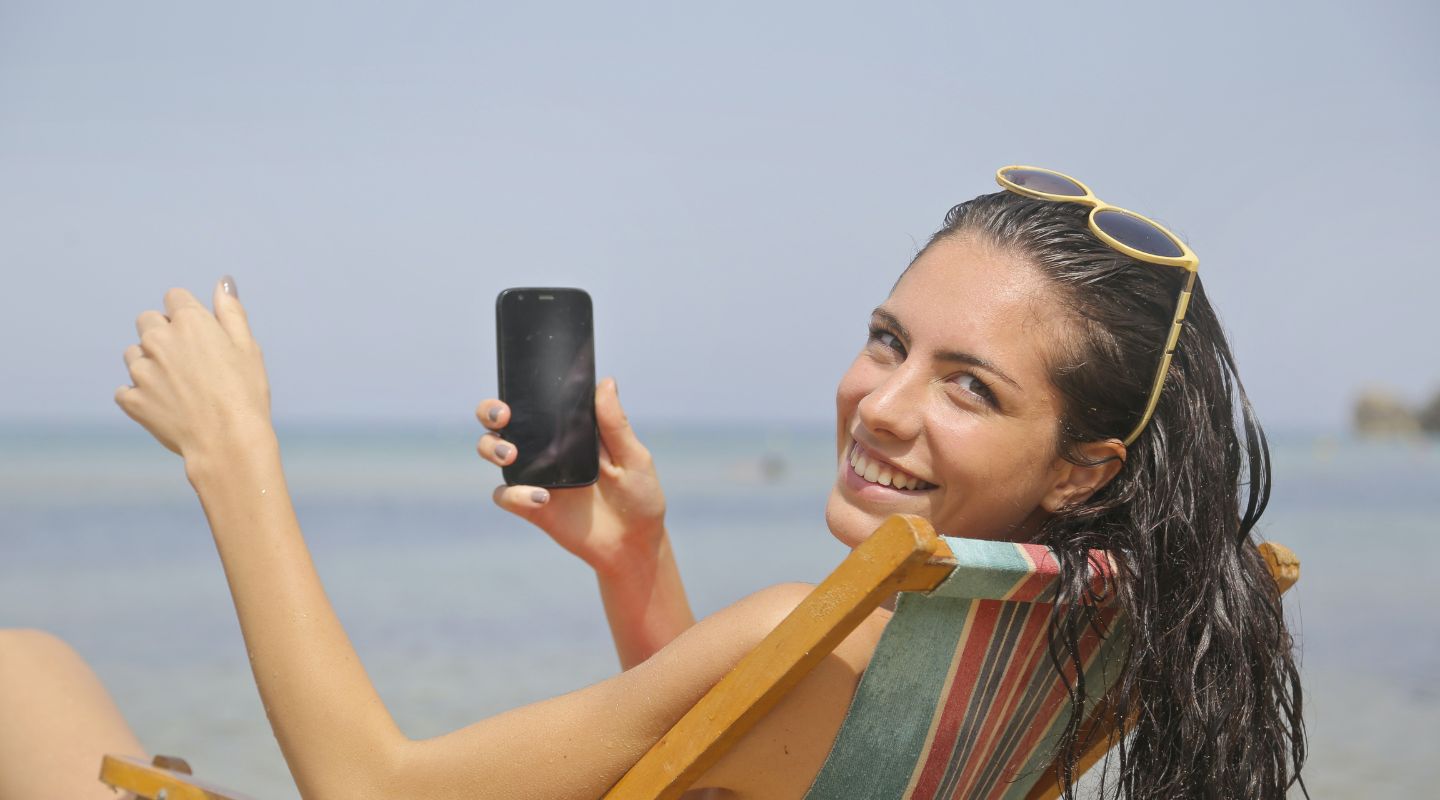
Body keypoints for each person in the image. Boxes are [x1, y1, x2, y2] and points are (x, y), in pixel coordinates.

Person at [0, 168, 1305, 800]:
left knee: (19, 672)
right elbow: (750, 767)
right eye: (889, 341)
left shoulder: (838, 636)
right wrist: (637, 564)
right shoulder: (1057, 626)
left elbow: (372, 790)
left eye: (972, 388)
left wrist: (234, 456)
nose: (882, 406)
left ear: (1087, 466)